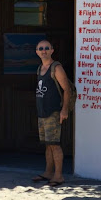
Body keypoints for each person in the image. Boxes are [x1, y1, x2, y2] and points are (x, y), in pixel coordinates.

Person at [32, 39, 71, 187]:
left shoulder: (56, 68)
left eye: (46, 48)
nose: (44, 50)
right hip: (42, 112)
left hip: (53, 112)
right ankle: (48, 172)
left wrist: (64, 110)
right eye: (40, 48)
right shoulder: (40, 68)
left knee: (55, 144)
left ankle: (58, 176)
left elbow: (66, 88)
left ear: (52, 50)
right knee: (48, 144)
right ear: (37, 51)